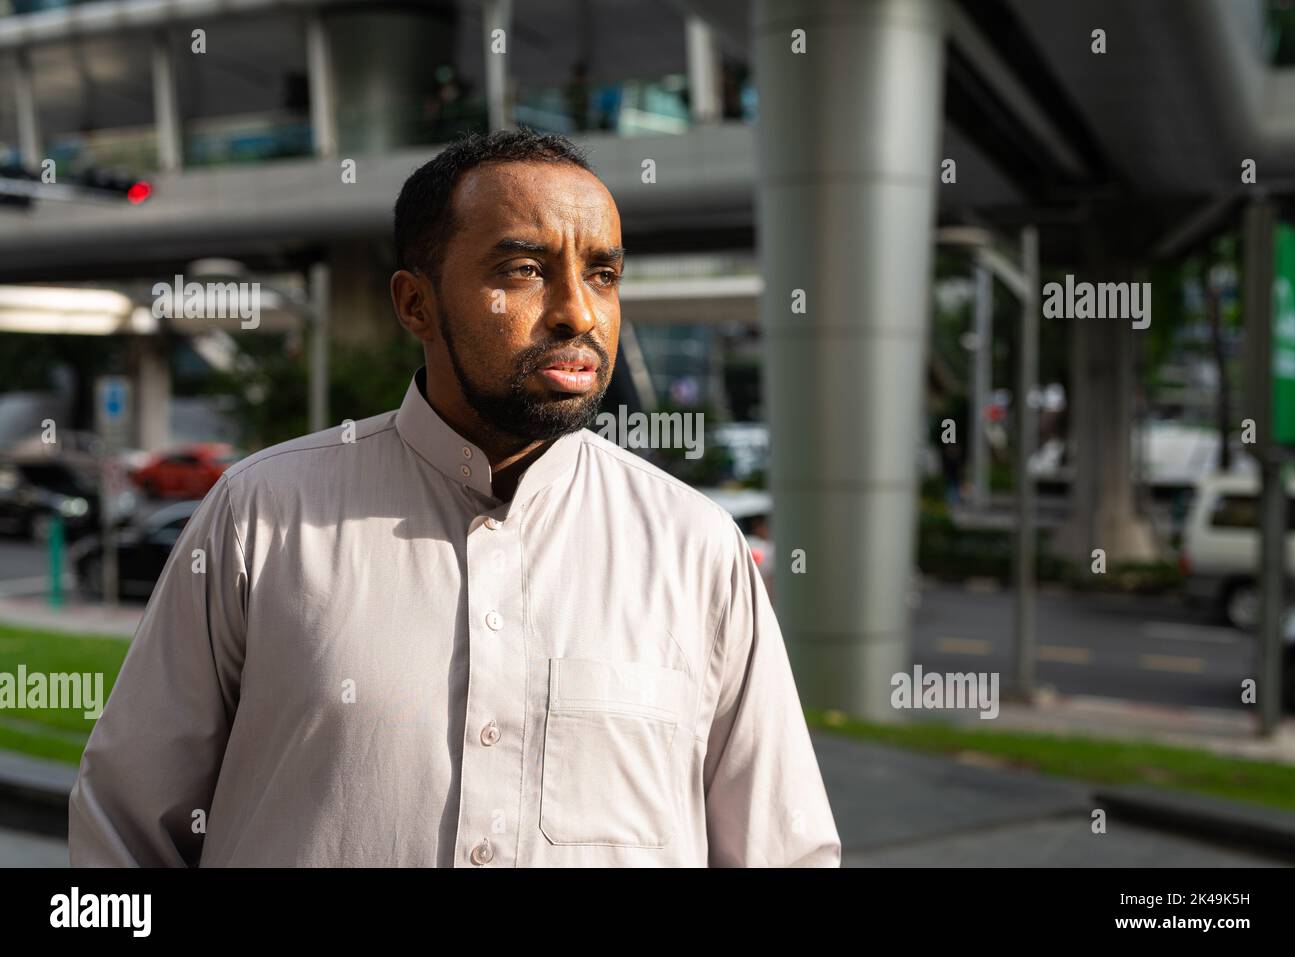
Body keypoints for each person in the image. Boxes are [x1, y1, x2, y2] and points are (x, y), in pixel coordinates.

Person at [68, 129, 841, 868]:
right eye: (526, 270)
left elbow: (783, 846)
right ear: (415, 304)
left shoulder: (695, 546)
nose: (579, 310)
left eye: (602, 273)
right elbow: (123, 826)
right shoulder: (260, 516)